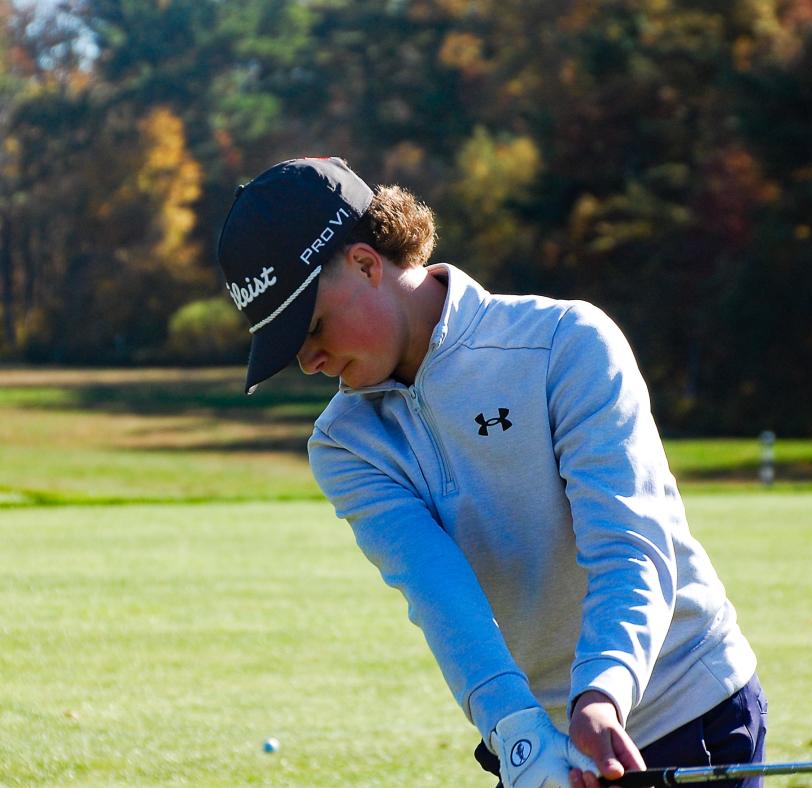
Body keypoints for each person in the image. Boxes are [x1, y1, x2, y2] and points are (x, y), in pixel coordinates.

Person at [216, 157, 767, 788]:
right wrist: (517, 730)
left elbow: (629, 546)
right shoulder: (345, 443)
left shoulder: (565, 343)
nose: (308, 361)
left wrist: (601, 694)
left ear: (367, 265)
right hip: (541, 739)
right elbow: (440, 595)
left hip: (686, 706)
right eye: (289, 347)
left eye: (311, 327)